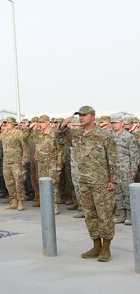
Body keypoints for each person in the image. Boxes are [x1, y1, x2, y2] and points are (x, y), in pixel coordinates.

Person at [58, 105, 118, 262]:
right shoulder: (77, 135)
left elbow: (113, 158)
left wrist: (113, 180)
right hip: (83, 182)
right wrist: (66, 122)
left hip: (102, 182)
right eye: (79, 115)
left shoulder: (104, 135)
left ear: (93, 116)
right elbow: (58, 135)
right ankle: (96, 245)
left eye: (84, 115)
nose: (81, 118)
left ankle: (106, 248)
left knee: (104, 215)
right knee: (89, 215)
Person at [110, 114, 139, 225]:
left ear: (122, 123)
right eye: (112, 123)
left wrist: (133, 169)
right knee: (117, 192)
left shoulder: (128, 137)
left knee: (127, 192)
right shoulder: (109, 136)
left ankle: (130, 215)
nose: (114, 125)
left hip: (126, 168)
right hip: (114, 169)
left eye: (116, 122)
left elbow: (134, 154)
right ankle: (121, 215)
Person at [35, 115, 64, 214]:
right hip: (41, 162)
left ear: (48, 122)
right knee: (43, 184)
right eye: (39, 122)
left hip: (52, 163)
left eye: (42, 122)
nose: (41, 124)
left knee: (53, 185)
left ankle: (55, 206)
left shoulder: (54, 134)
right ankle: (46, 205)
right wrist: (35, 126)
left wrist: (59, 164)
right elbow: (26, 134)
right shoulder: (39, 134)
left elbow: (60, 150)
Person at [0, 117, 29, 211]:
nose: (6, 124)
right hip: (6, 161)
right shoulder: (4, 133)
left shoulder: (18, 133)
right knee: (9, 182)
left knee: (19, 182)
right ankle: (14, 200)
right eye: (5, 123)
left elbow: (25, 146)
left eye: (8, 123)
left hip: (17, 161)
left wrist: (25, 159)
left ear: (13, 124)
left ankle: (20, 201)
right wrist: (0, 127)